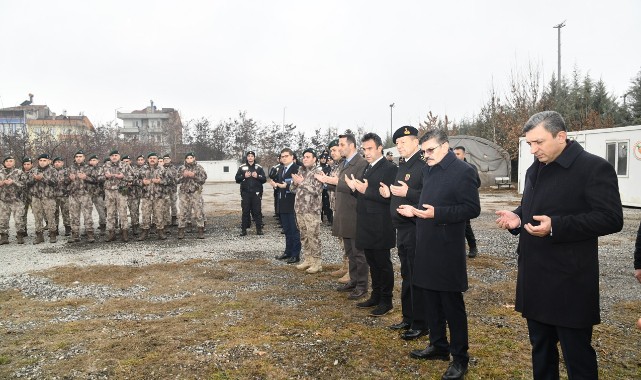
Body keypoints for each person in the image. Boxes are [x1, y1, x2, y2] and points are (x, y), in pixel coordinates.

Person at [495, 111, 623, 379]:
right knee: (540, 348)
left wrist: (557, 226)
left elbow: (611, 218)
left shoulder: (593, 167)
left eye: (539, 142)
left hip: (570, 280)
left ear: (561, 136)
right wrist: (518, 217)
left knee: (576, 354)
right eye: (529, 143)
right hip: (535, 276)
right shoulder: (536, 167)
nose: (533, 149)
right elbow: (535, 207)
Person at [398, 129, 480, 380]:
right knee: (430, 299)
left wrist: (438, 214)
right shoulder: (429, 169)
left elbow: (471, 209)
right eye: (423, 151)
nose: (426, 155)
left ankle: (459, 358)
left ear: (445, 146)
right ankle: (438, 345)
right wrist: (415, 211)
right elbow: (427, 201)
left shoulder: (463, 172)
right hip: (426, 244)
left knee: (451, 305)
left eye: (430, 150)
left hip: (446, 248)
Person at [380, 126, 427, 338]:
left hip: (416, 227)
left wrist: (408, 192)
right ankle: (408, 318)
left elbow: (429, 196)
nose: (399, 146)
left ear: (416, 142)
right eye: (397, 143)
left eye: (404, 142)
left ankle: (421, 323)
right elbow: (400, 194)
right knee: (407, 274)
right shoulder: (403, 164)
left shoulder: (423, 164)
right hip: (402, 228)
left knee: (417, 275)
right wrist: (389, 194)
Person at [345, 132, 398, 316]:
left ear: (379, 148)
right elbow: (364, 193)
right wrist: (355, 189)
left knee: (383, 263)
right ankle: (375, 296)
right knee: (372, 262)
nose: (366, 153)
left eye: (370, 149)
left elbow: (389, 197)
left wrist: (364, 190)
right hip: (366, 223)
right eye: (364, 149)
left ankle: (386, 300)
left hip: (381, 224)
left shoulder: (389, 168)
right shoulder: (367, 168)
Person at [317, 133, 369, 300]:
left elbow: (356, 187)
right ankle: (353, 280)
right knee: (350, 251)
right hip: (344, 212)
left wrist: (332, 181)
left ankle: (362, 285)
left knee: (358, 253)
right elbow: (339, 187)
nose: (339, 148)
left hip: (354, 212)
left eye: (341, 145)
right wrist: (327, 182)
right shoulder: (345, 163)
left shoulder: (361, 163)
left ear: (351, 145)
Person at [290, 148, 325, 274]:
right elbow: (293, 189)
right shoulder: (300, 170)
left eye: (308, 157)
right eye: (304, 157)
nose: (305, 159)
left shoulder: (319, 173)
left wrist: (302, 182)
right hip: (300, 209)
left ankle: (317, 263)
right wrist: (295, 183)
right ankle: (308, 259)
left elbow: (317, 191)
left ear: (314, 159)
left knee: (313, 236)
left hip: (312, 210)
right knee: (304, 236)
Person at [270, 148, 300, 263]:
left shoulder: (297, 169)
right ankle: (288, 252)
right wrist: (276, 185)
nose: (284, 158)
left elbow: (297, 186)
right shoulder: (281, 169)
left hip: (293, 203)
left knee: (294, 230)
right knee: (287, 230)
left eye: (286, 156)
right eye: (282, 156)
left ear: (292, 157)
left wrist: (285, 186)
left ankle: (295, 254)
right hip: (283, 203)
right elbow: (281, 184)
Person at [453, 146, 481, 258]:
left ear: (464, 155)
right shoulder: (450, 167)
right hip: (452, 201)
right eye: (454, 154)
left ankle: (473, 247)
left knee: (466, 226)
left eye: (458, 154)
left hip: (464, 201)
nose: (455, 156)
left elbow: (477, 183)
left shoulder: (470, 167)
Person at [65, 150, 96, 243]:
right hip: (73, 195)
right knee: (74, 216)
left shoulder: (89, 168)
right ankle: (75, 234)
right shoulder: (70, 168)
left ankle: (90, 233)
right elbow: (63, 182)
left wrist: (85, 177)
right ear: (75, 158)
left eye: (80, 156)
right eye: (77, 156)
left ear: (84, 158)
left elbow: (96, 180)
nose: (78, 158)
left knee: (87, 215)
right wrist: (69, 179)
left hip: (85, 195)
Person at [27, 154, 59, 244]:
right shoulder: (33, 170)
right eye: (40, 160)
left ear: (49, 161)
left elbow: (56, 183)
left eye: (44, 160)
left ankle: (53, 234)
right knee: (37, 217)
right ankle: (39, 235)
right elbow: (28, 183)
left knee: (50, 216)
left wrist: (43, 178)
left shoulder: (53, 170)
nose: (42, 162)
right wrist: (35, 179)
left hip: (48, 197)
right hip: (36, 197)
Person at [103, 149, 134, 242]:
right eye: (112, 156)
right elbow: (98, 178)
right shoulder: (105, 166)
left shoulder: (125, 165)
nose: (114, 157)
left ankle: (124, 232)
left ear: (119, 156)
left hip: (121, 191)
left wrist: (123, 177)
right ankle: (111, 233)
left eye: (116, 155)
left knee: (123, 212)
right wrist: (105, 176)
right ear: (110, 157)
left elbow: (132, 177)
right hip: (109, 192)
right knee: (110, 213)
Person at [176, 152, 207, 239]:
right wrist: (183, 176)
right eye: (187, 158)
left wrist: (194, 176)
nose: (189, 160)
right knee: (182, 212)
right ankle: (181, 230)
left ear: (194, 158)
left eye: (191, 158)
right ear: (185, 159)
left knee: (198, 212)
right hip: (184, 193)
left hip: (195, 192)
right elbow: (176, 180)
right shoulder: (181, 168)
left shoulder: (199, 168)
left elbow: (203, 179)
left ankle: (200, 230)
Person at [235, 151, 266, 236]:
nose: (250, 157)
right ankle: (243, 230)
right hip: (245, 193)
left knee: (257, 211)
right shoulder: (242, 167)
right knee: (245, 211)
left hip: (256, 193)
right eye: (249, 156)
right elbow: (237, 179)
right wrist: (244, 176)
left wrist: (258, 176)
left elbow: (264, 179)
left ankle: (259, 229)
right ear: (247, 158)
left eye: (252, 156)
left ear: (254, 157)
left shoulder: (258, 167)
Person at [138, 153, 168, 241]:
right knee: (145, 214)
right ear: (147, 159)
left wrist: (160, 181)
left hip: (158, 196)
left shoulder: (162, 169)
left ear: (157, 159)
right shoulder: (142, 169)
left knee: (159, 214)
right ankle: (145, 232)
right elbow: (135, 180)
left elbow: (169, 180)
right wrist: (142, 182)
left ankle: (160, 232)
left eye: (154, 158)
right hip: (146, 196)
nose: (152, 159)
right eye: (150, 158)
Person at [0, 156, 26, 244]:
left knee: (19, 219)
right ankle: (4, 237)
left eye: (11, 161)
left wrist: (14, 182)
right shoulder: (0, 172)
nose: (8, 163)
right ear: (4, 163)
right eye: (6, 161)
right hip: (3, 200)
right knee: (3, 219)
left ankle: (20, 236)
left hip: (16, 200)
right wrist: (2, 183)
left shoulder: (19, 172)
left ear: (14, 163)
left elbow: (24, 184)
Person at [86, 155, 106, 234]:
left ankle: (103, 226)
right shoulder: (86, 169)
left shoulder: (101, 169)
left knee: (101, 211)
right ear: (89, 162)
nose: (93, 161)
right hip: (88, 193)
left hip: (99, 193)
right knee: (87, 212)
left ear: (98, 161)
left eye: (95, 160)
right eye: (91, 160)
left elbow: (102, 178)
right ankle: (88, 227)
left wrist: (89, 178)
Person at [52, 157, 71, 237]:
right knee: (54, 213)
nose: (57, 163)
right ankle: (55, 229)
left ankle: (68, 228)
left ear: (62, 163)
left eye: (59, 162)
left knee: (65, 212)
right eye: (55, 162)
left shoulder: (66, 171)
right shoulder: (51, 171)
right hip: (53, 196)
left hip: (64, 195)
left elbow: (69, 182)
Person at [162, 154, 179, 229]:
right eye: (164, 159)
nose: (166, 160)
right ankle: (166, 221)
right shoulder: (160, 168)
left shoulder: (174, 168)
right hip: (164, 190)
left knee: (173, 205)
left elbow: (176, 178)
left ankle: (174, 219)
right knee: (165, 206)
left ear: (170, 160)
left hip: (172, 189)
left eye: (167, 159)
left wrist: (169, 176)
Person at [319, 152, 333, 225]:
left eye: (325, 158)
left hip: (328, 188)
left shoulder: (330, 168)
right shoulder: (320, 168)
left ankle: (329, 219)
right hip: (321, 188)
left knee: (328, 203)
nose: (323, 160)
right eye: (322, 158)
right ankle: (321, 218)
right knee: (321, 203)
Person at [20, 157, 33, 237]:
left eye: (28, 164)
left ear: (31, 164)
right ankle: (24, 230)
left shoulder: (35, 172)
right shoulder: (19, 173)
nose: (26, 166)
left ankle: (45, 228)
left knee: (38, 212)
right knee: (22, 214)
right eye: (24, 164)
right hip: (23, 196)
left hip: (33, 195)